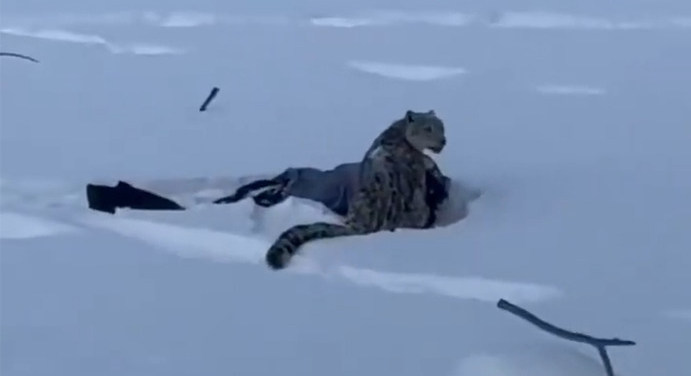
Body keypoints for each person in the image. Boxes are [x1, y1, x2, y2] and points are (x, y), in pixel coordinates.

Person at [86, 160, 451, 225]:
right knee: (210, 210)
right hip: (288, 190)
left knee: (211, 207)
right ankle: (120, 200)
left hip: (294, 186)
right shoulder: (386, 184)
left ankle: (119, 199)